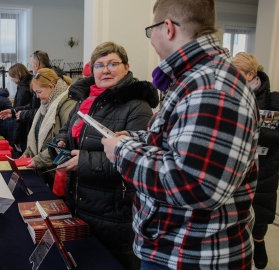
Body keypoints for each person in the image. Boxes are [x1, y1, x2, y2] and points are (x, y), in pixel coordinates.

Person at [101, 1, 260, 269]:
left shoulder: (212, 86)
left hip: (192, 255)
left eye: (150, 31)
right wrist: (134, 137)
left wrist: (122, 152)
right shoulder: (195, 77)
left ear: (167, 28)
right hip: (174, 247)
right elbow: (176, 140)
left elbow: (196, 185)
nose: (151, 40)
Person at [55, 41, 159, 269]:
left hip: (114, 214)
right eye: (99, 65)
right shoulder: (88, 100)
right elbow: (70, 126)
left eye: (113, 63)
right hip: (80, 201)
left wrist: (83, 161)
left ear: (126, 67)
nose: (106, 70)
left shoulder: (137, 106)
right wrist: (63, 139)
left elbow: (134, 159)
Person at [232, 52, 279, 269]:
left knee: (261, 213)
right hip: (237, 167)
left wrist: (252, 130)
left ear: (251, 74)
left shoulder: (276, 100)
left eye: (236, 74)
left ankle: (259, 241)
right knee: (238, 214)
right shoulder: (231, 97)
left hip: (265, 170)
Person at [21, 68, 76, 188]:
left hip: (56, 171)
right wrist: (29, 151)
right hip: (46, 168)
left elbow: (66, 141)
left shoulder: (68, 104)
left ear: (51, 87)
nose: (37, 97)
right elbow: (38, 134)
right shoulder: (45, 106)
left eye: (39, 92)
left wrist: (39, 160)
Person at [4, 63, 34, 152]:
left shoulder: (23, 90)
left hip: (24, 131)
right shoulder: (29, 85)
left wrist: (16, 138)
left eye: (12, 76)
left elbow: (20, 116)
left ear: (17, 75)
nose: (11, 79)